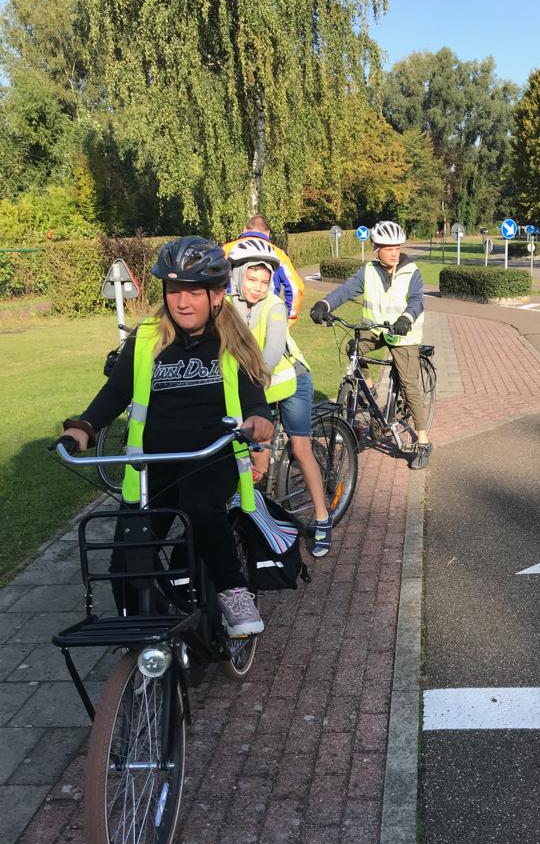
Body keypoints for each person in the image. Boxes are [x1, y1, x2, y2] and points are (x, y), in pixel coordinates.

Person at [57, 236, 274, 638]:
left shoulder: (231, 342)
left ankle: (232, 590)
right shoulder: (146, 339)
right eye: (175, 291)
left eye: (194, 291)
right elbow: (115, 393)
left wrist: (259, 420)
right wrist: (84, 426)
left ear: (216, 295)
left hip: (211, 457)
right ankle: (134, 633)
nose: (183, 302)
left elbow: (254, 401)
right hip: (151, 462)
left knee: (201, 509)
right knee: (125, 555)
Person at [228, 238, 333, 557]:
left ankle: (322, 517)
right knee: (251, 452)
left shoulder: (273, 305)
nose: (258, 287)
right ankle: (256, 514)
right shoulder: (226, 305)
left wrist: (254, 376)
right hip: (257, 387)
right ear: (238, 275)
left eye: (264, 281)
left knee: (300, 448)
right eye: (251, 279)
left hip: (290, 381)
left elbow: (272, 351)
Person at [310, 220, 432, 471]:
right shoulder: (368, 271)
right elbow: (345, 291)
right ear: (377, 249)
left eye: (397, 247)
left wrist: (405, 319)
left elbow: (417, 300)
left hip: (403, 334)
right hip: (376, 331)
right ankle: (369, 387)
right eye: (389, 248)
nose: (395, 252)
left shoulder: (412, 272)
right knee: (352, 348)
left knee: (409, 386)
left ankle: (423, 441)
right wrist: (325, 304)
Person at [224, 215, 304, 326]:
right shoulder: (278, 254)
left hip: (232, 317)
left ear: (244, 229)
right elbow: (296, 287)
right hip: (267, 317)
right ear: (268, 233)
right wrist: (289, 318)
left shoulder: (226, 249)